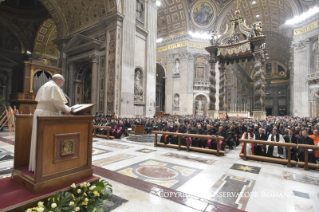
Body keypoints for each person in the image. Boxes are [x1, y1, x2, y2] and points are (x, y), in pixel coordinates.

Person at [29, 74, 74, 172]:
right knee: (46, 141)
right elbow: (60, 105)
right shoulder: (53, 86)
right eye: (62, 82)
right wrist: (70, 109)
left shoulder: (45, 85)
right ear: (58, 80)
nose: (62, 85)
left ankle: (37, 165)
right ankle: (45, 166)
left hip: (41, 113)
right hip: (47, 115)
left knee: (38, 140)